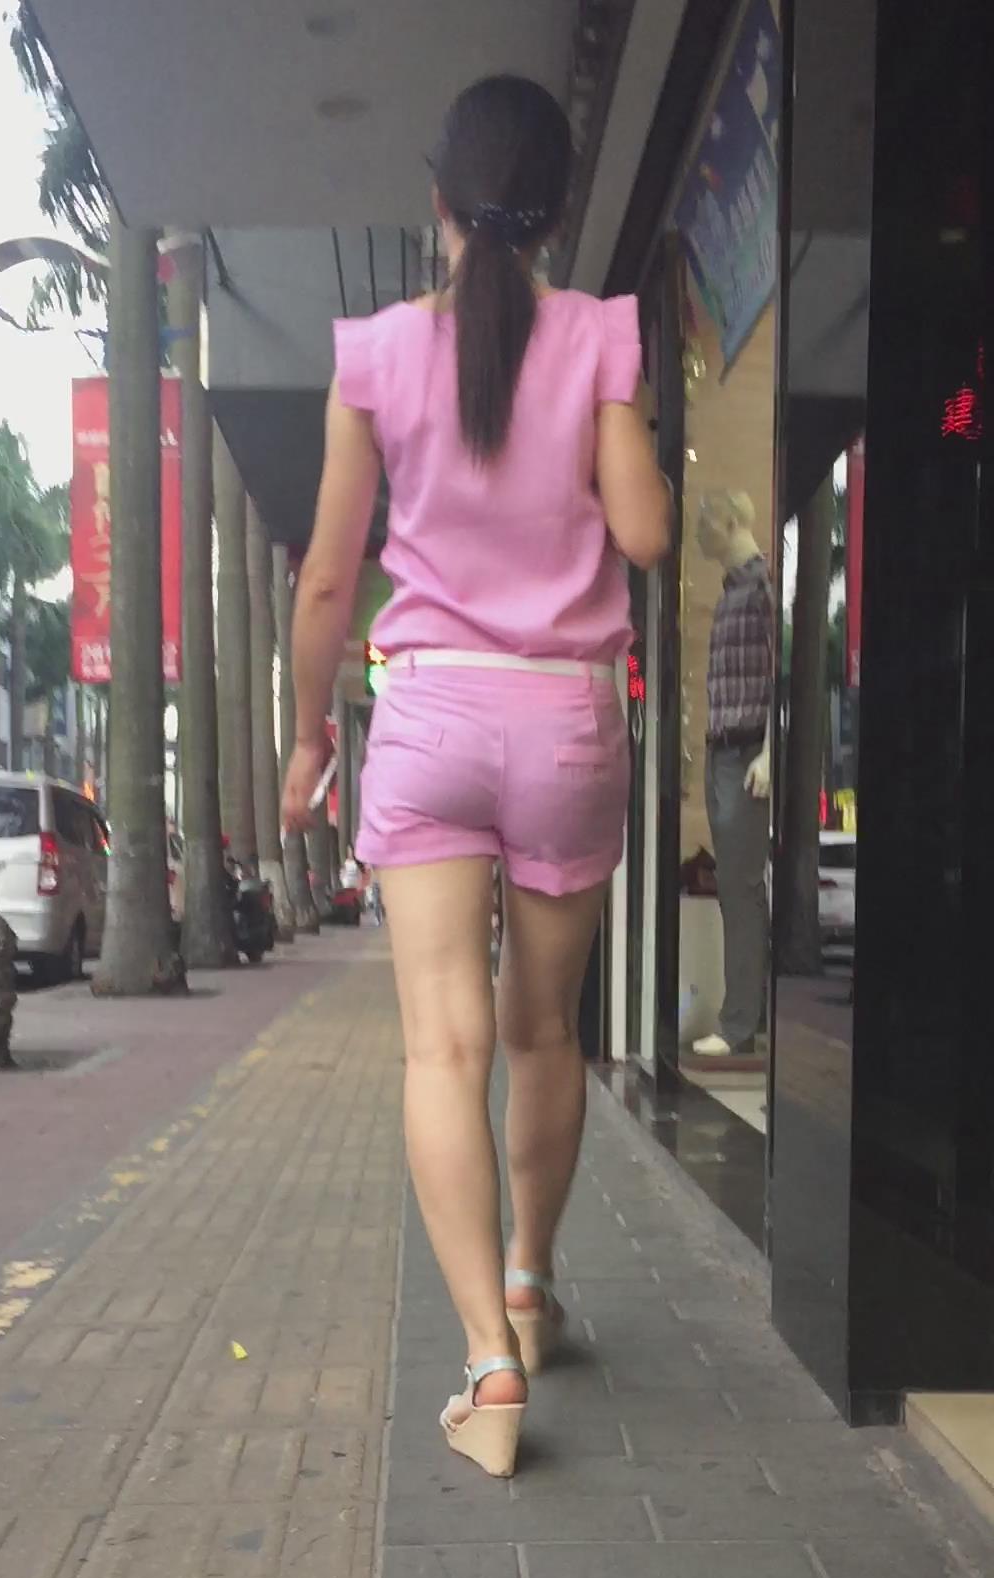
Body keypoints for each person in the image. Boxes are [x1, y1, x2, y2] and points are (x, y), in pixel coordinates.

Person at [284, 75, 670, 1477]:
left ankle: (488, 1366)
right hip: (564, 720)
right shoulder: (600, 338)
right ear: (556, 212)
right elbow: (645, 531)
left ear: (436, 200)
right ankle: (531, 1282)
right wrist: (622, 421)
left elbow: (330, 580)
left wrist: (310, 735)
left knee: (441, 1049)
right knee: (541, 1034)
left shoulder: (378, 354)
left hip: (432, 715)